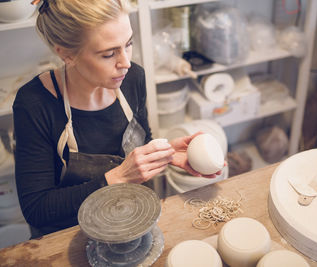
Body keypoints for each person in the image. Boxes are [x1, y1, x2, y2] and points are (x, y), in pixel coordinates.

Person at [13, 0, 220, 239]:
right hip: (69, 236)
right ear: (66, 54)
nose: (125, 63)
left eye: (129, 44)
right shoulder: (35, 103)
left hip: (126, 220)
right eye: (109, 54)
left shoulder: (133, 79)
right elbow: (37, 208)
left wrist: (166, 153)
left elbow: (140, 141)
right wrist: (119, 177)